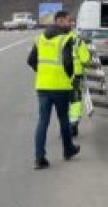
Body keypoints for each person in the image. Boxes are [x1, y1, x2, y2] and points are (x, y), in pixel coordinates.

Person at [27, 10, 80, 169]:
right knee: (63, 119)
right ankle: (68, 150)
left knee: (43, 121)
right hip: (61, 86)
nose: (70, 24)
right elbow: (68, 62)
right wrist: (70, 78)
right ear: (59, 21)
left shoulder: (40, 37)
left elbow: (31, 60)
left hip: (43, 86)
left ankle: (39, 158)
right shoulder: (65, 38)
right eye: (67, 21)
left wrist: (42, 73)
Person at [68, 21, 93, 136]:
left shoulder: (56, 40)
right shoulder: (77, 41)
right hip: (76, 76)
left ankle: (65, 124)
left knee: (62, 102)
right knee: (75, 100)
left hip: (60, 77)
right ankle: (73, 123)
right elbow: (85, 60)